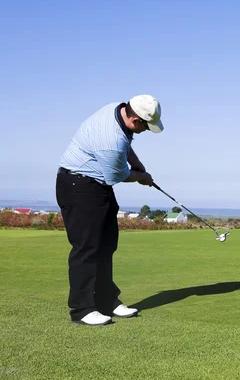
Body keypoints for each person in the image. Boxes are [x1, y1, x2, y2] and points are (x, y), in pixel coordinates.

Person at [56, 95, 164, 326]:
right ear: (135, 118)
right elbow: (116, 175)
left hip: (95, 186)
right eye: (146, 126)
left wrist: (137, 163)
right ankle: (82, 309)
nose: (146, 130)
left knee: (106, 245)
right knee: (87, 249)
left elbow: (127, 143)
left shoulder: (117, 109)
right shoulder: (110, 139)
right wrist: (141, 177)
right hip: (78, 186)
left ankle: (107, 301)